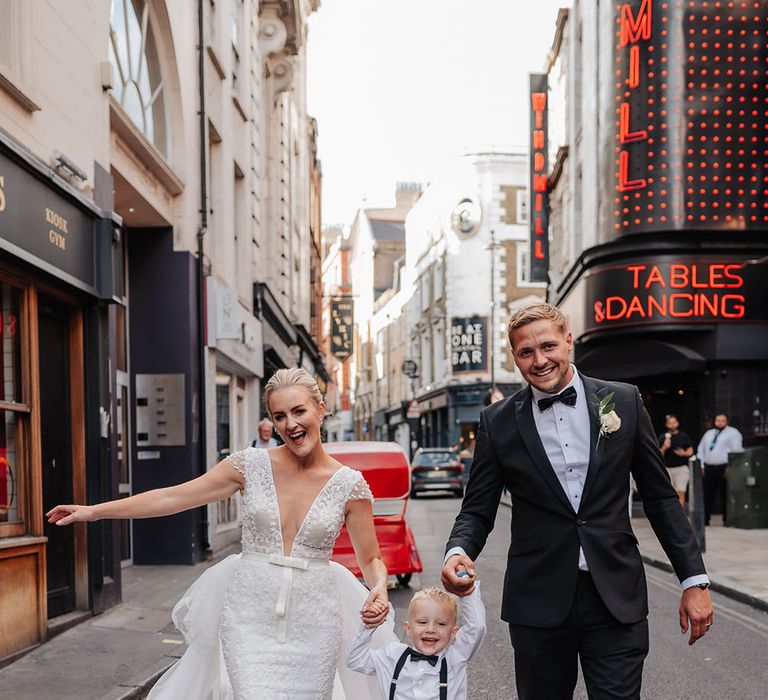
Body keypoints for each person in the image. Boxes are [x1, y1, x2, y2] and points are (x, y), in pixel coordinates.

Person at [47, 368, 395, 699]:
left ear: (321, 409)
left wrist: (378, 587)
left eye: (298, 411)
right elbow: (173, 496)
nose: (290, 424)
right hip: (249, 616)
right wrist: (95, 511)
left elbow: (371, 558)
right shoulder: (249, 465)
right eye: (279, 416)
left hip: (315, 621)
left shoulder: (350, 486)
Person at [441, 303, 713, 700]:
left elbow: (660, 499)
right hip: (538, 602)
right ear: (514, 357)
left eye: (548, 346)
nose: (540, 360)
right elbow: (477, 509)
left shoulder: (623, 402)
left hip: (615, 597)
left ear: (568, 340)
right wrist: (457, 551)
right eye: (526, 353)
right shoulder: (496, 422)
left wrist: (694, 580)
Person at [347, 585, 486, 700]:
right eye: (422, 622)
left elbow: (477, 627)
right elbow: (355, 660)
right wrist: (368, 627)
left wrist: (466, 590)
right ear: (408, 628)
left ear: (453, 633)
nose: (431, 629)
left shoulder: (455, 659)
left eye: (441, 624)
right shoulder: (392, 656)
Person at [697, 412, 743, 526]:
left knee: (725, 495)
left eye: (722, 420)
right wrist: (702, 465)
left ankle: (727, 520)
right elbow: (701, 450)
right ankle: (705, 520)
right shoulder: (709, 433)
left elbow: (737, 451)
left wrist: (731, 468)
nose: (720, 422)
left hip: (724, 468)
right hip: (709, 467)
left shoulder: (733, 433)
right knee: (707, 495)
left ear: (727, 421)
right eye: (718, 420)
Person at [658, 414, 694, 506]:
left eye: (674, 422)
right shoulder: (663, 437)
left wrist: (683, 453)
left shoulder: (684, 436)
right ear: (666, 425)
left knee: (680, 492)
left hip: (681, 468)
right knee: (669, 493)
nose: (672, 425)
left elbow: (691, 451)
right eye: (670, 423)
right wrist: (665, 447)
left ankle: (680, 515)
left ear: (677, 423)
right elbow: (658, 455)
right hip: (667, 469)